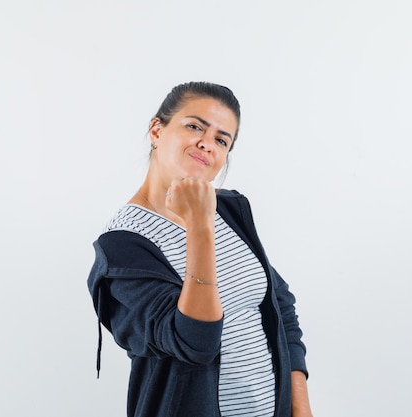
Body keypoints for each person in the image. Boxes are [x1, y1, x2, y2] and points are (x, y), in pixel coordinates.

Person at [87, 81, 313, 417]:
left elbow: (280, 307)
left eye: (222, 140)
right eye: (195, 126)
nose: (207, 144)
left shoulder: (231, 211)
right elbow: (196, 341)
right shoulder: (122, 246)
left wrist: (300, 408)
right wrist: (200, 226)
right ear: (156, 131)